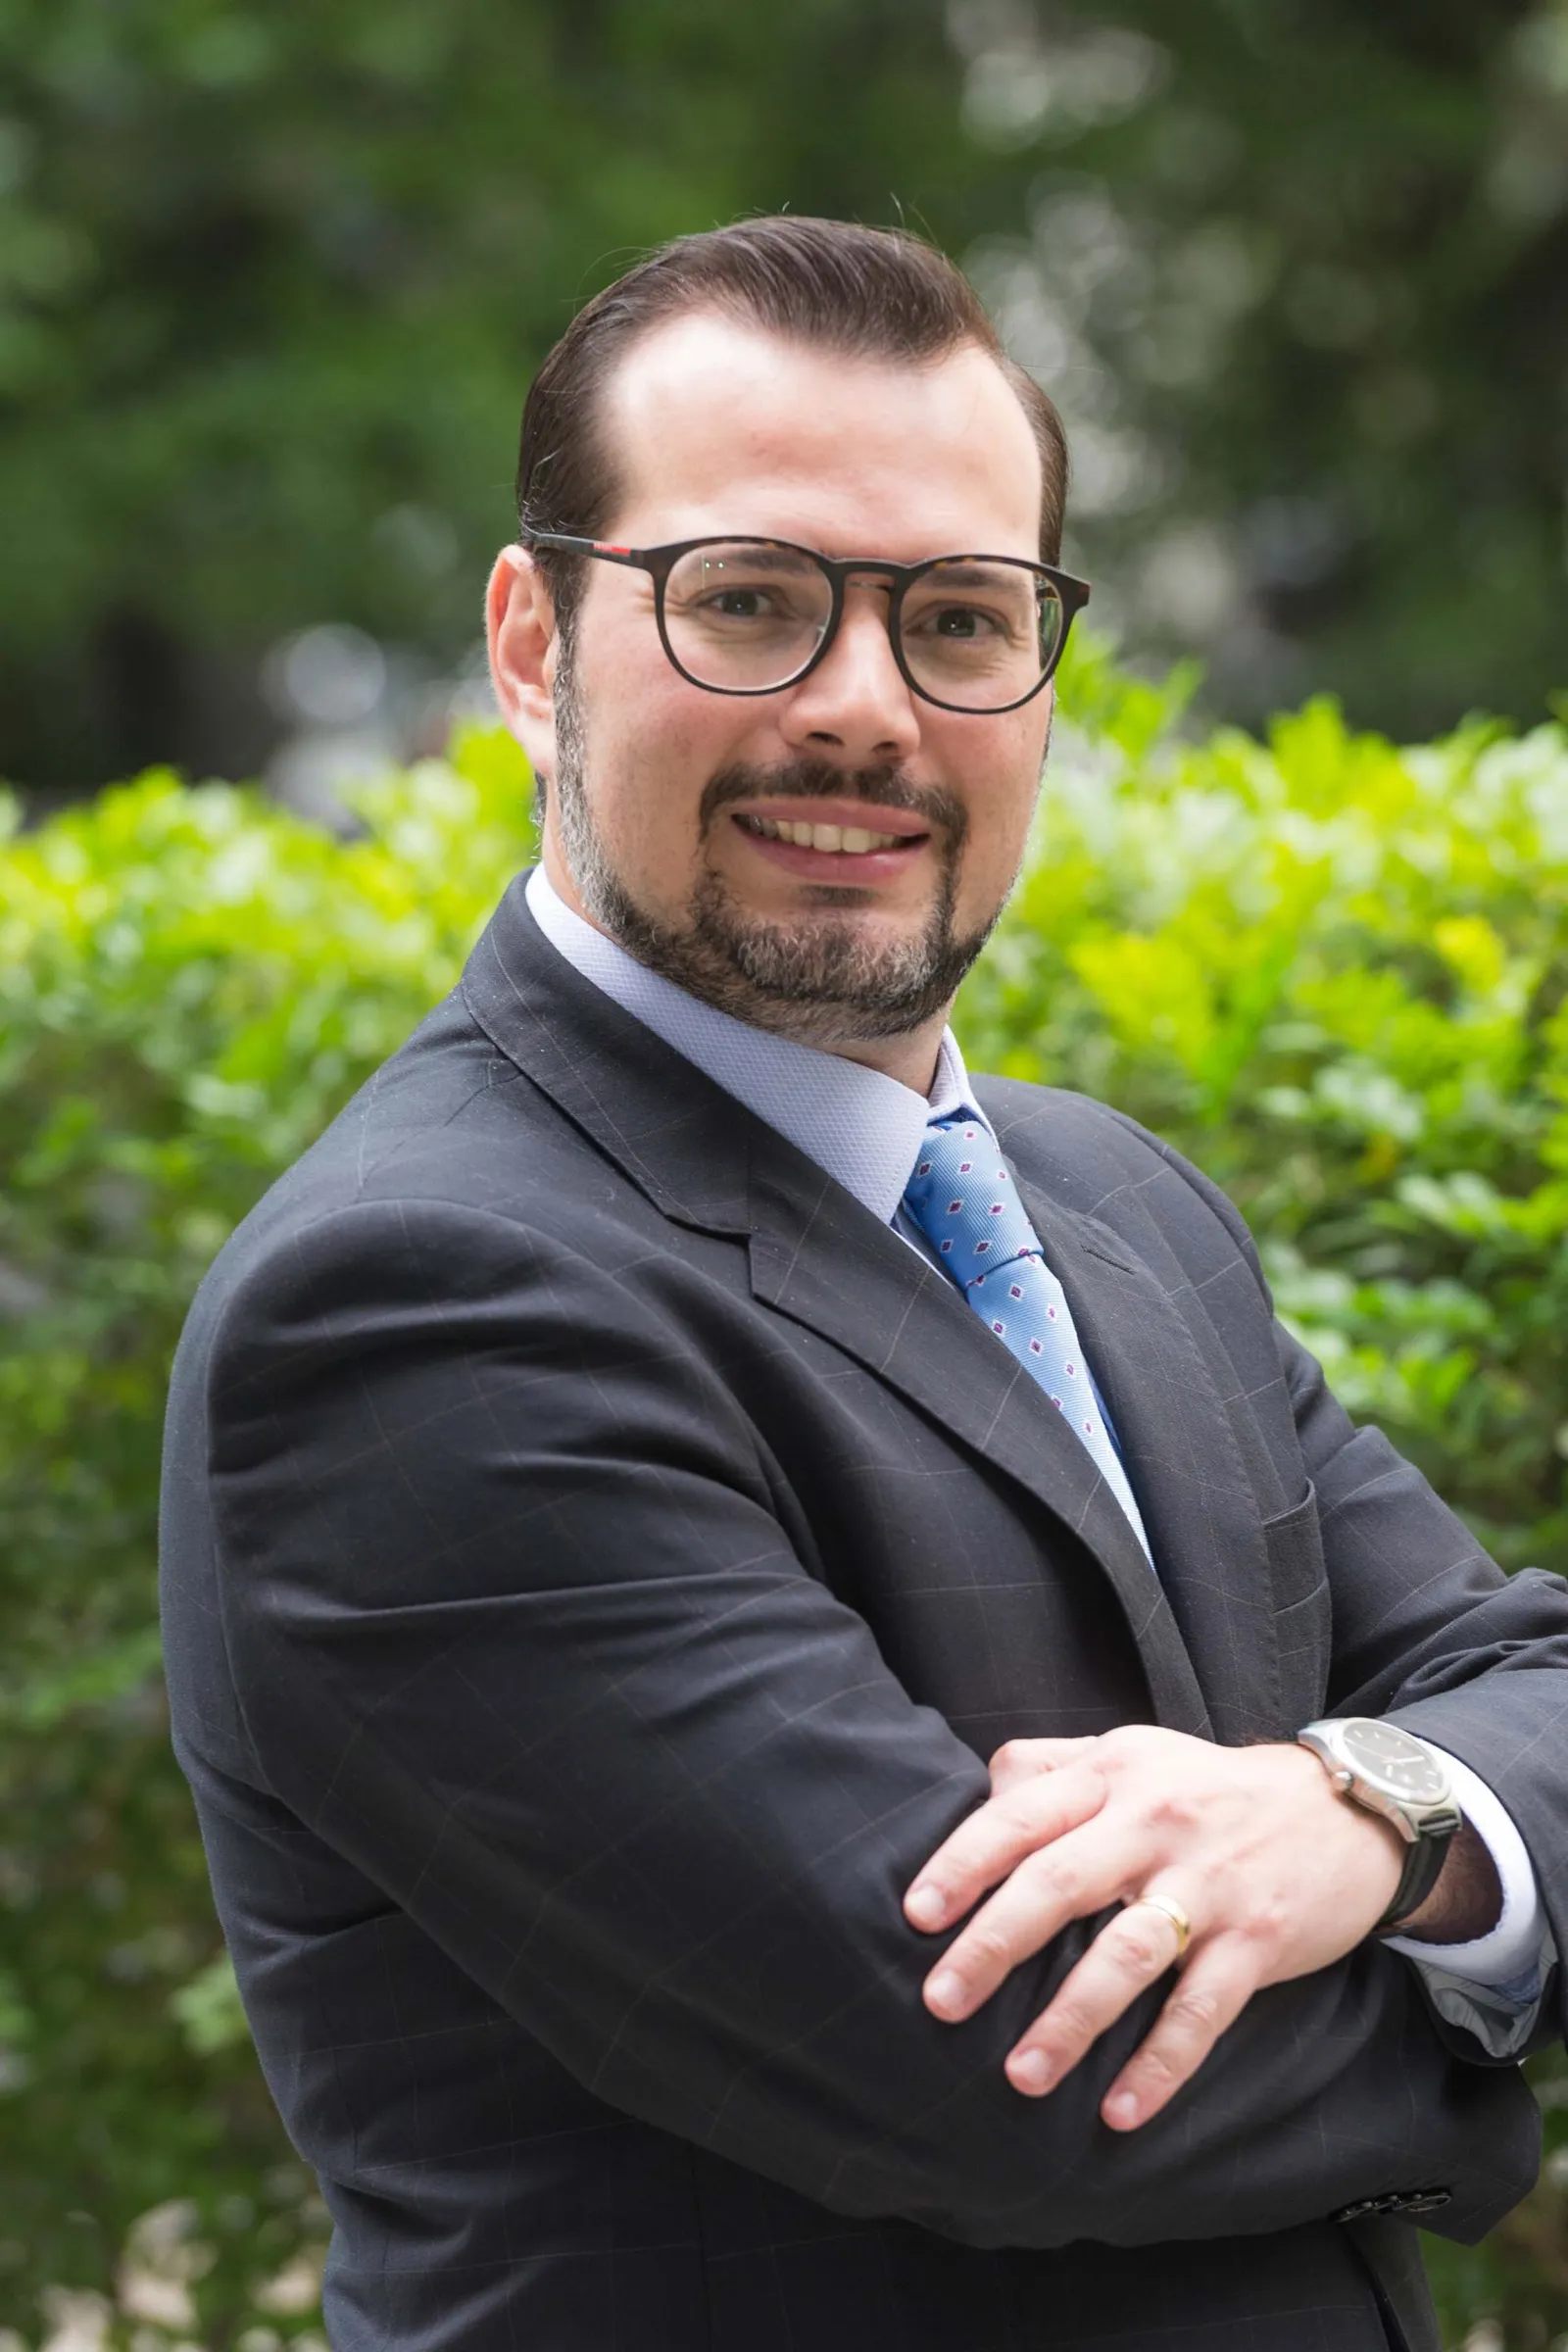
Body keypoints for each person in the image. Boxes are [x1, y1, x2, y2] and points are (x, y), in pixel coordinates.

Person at [160, 218, 1568, 2352]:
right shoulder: (414, 1307)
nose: (860, 710)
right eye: (745, 602)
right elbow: (1011, 2084)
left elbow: (1519, 1673)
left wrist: (1364, 1817)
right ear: (532, 644)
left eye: (956, 619)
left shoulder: (1111, 1209)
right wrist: (1486, 2071)